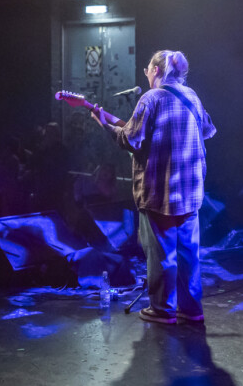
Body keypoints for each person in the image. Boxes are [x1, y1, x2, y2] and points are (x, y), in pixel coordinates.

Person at [92, 50, 215, 325]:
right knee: (188, 254)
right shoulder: (192, 96)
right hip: (190, 191)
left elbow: (130, 140)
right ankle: (191, 309)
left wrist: (105, 125)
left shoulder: (151, 98)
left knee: (161, 255)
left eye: (148, 68)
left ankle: (162, 309)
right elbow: (207, 130)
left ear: (157, 70)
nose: (146, 73)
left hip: (159, 191)